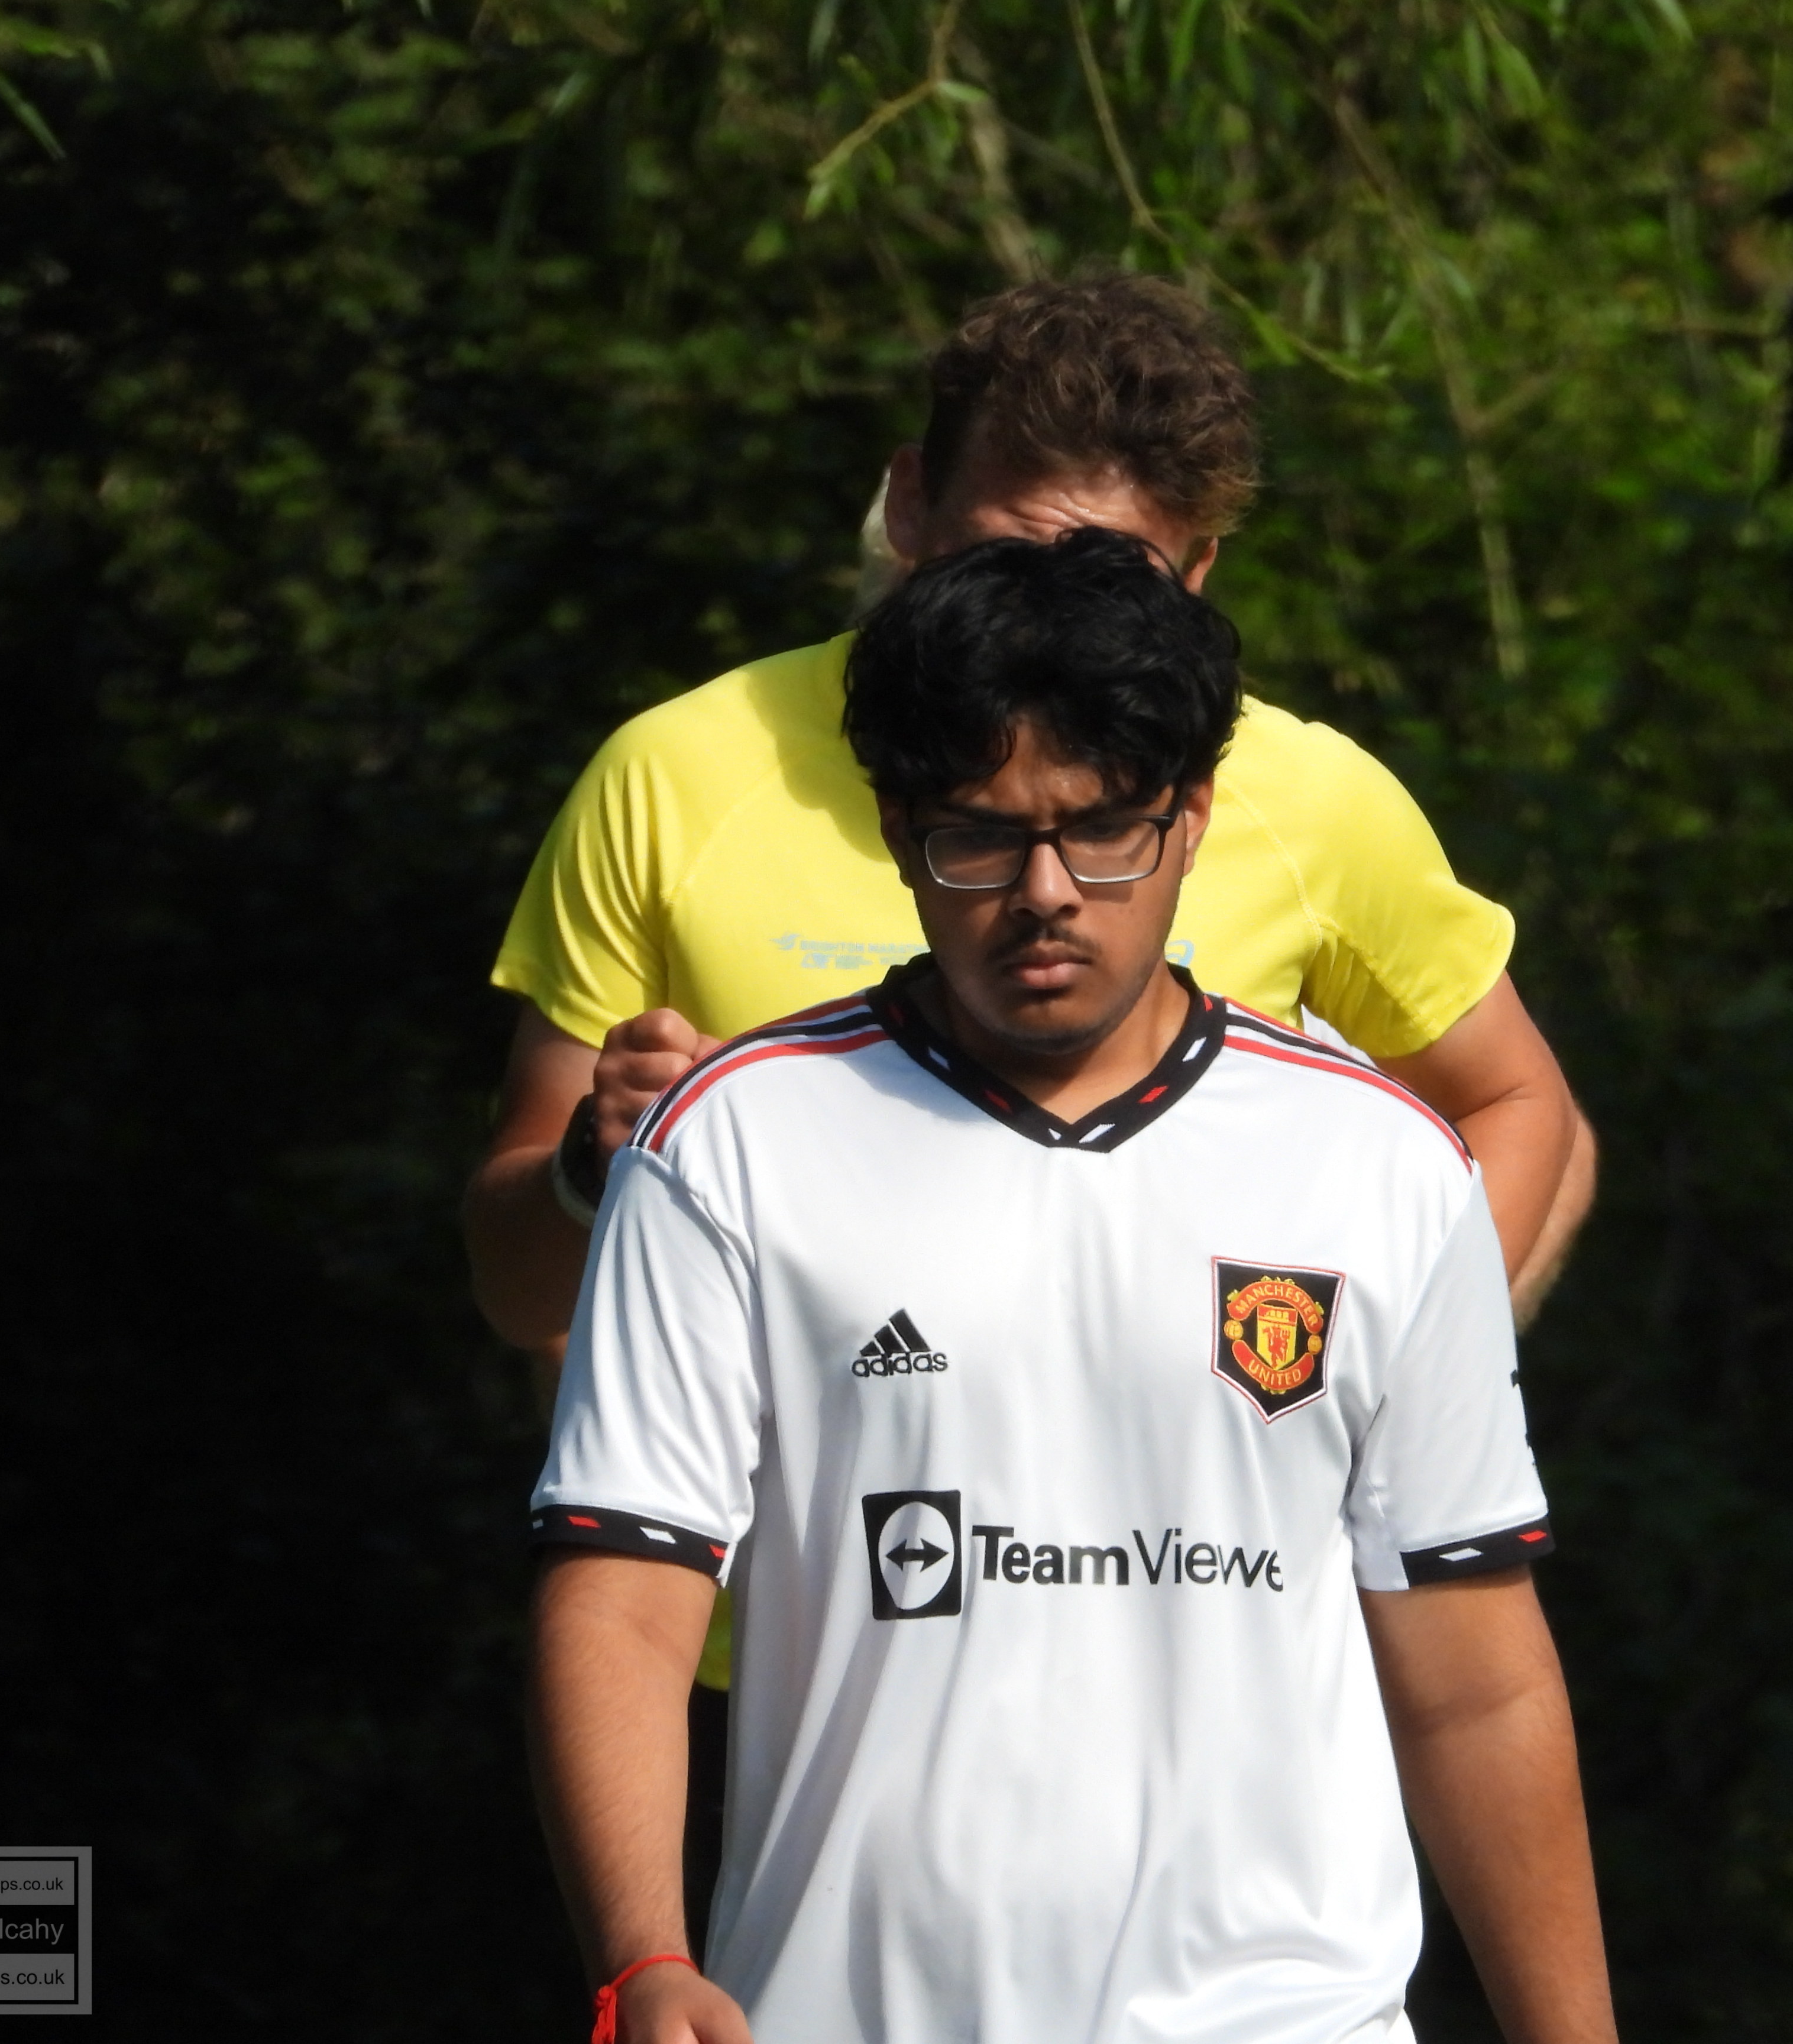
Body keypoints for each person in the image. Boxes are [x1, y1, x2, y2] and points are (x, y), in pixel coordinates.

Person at [467, 267, 1597, 1928]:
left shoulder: (1297, 796)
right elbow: (513, 1279)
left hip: (1196, 1654)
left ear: (1198, 580)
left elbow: (1522, 1113)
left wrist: (1340, 1410)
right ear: (908, 504)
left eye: (1115, 571)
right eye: (998, 547)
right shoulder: (679, 777)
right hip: (779, 1675)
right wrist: (593, 1169)